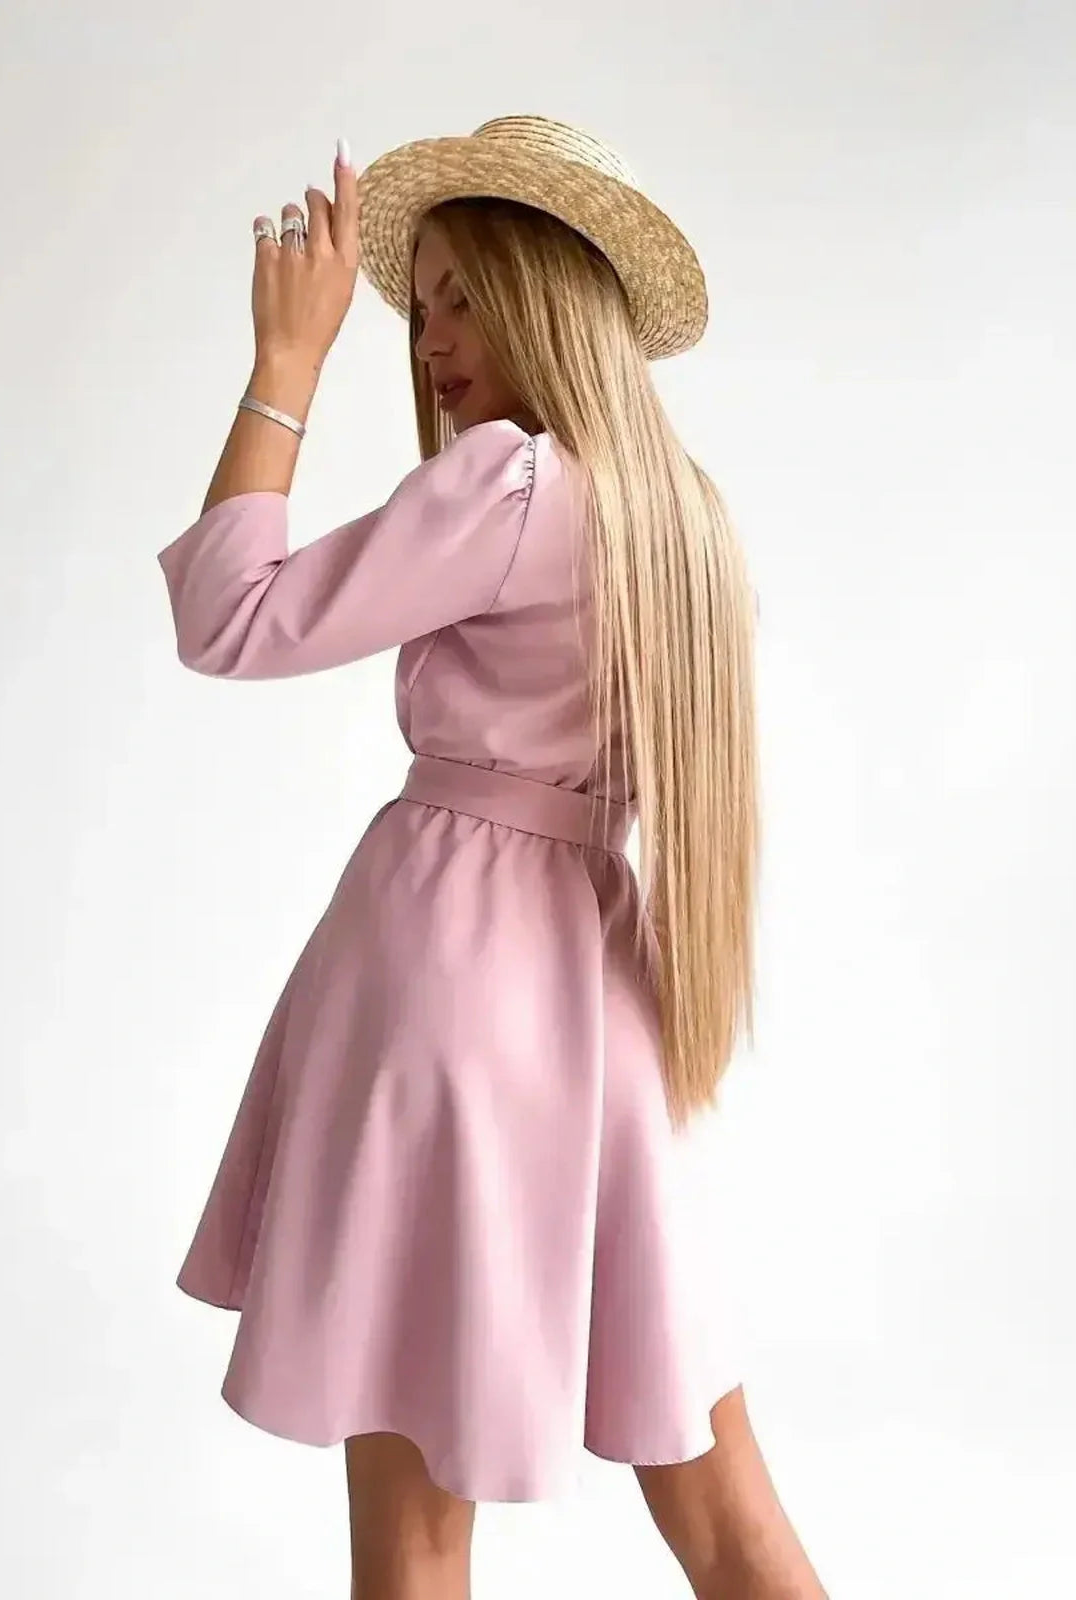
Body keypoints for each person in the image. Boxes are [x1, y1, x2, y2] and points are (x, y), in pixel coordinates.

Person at [157, 116, 827, 1600]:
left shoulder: (513, 485)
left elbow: (230, 620)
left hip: (443, 987)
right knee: (720, 1501)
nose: (433, 337)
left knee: (416, 1528)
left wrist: (286, 366)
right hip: (598, 995)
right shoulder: (681, 517)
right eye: (426, 301)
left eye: (464, 295)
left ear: (545, 297)